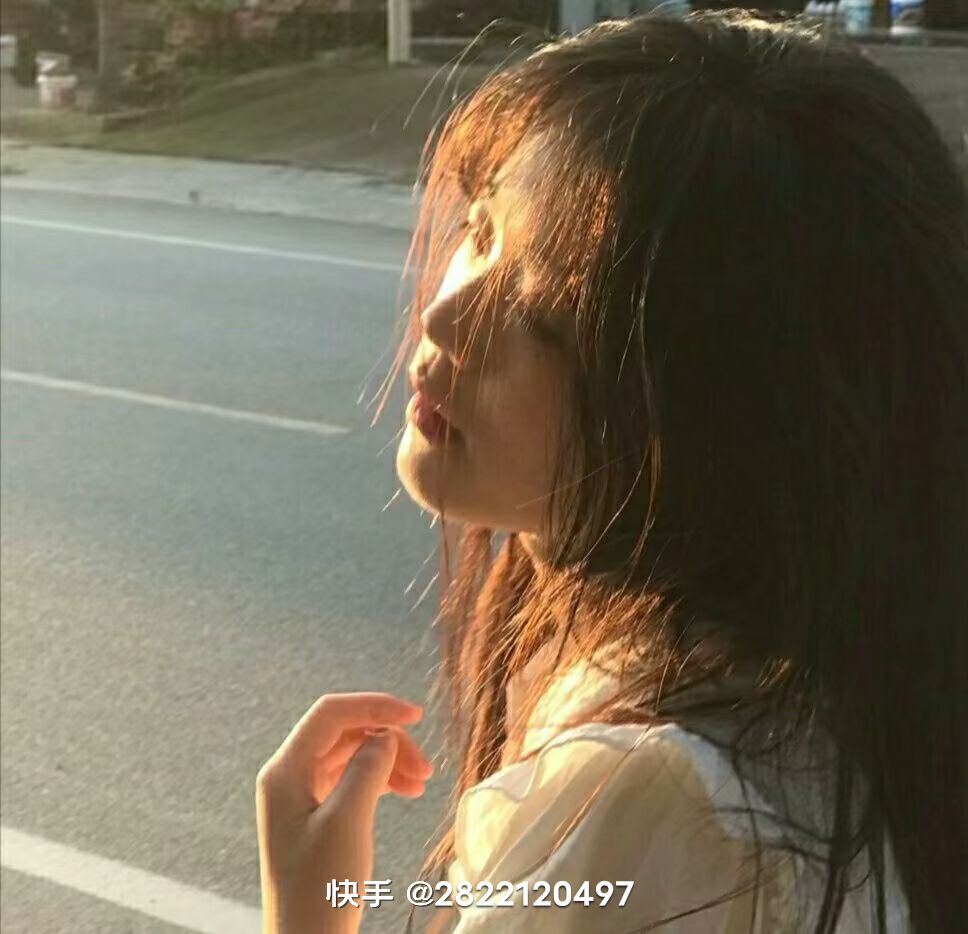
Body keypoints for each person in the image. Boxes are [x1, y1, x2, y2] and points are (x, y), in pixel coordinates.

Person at [255, 9, 968, 933]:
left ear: (703, 423)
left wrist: (309, 915)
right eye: (481, 228)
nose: (443, 317)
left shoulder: (659, 811)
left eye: (546, 314)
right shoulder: (831, 699)